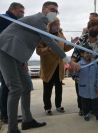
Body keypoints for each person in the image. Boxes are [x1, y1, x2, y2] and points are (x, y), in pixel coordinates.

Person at [0, 1, 72, 133]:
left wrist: (23, 60)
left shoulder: (41, 22)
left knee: (27, 86)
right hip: (5, 50)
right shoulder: (39, 19)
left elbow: (25, 40)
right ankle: (12, 128)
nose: (54, 13)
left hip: (18, 55)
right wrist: (66, 58)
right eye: (52, 9)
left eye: (56, 11)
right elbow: (50, 41)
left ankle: (27, 121)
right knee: (15, 89)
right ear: (44, 9)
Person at [71, 19, 98, 115]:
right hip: (82, 68)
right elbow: (75, 54)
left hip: (95, 68)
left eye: (96, 26)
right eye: (91, 26)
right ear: (88, 28)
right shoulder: (82, 39)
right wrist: (73, 64)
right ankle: (82, 108)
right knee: (81, 88)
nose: (94, 28)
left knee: (94, 88)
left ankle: (93, 108)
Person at [36, 18, 73, 115]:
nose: (58, 26)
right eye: (55, 25)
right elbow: (38, 51)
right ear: (50, 25)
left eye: (59, 24)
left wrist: (72, 43)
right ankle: (47, 108)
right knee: (47, 89)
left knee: (59, 88)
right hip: (48, 67)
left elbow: (64, 48)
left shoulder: (61, 35)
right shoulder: (44, 35)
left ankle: (58, 106)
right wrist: (47, 49)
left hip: (59, 67)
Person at [0, 2, 25, 124]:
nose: (23, 14)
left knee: (9, 87)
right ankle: (6, 116)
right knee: (7, 86)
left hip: (12, 57)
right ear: (13, 9)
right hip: (5, 58)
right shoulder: (3, 19)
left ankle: (9, 115)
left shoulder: (13, 21)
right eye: (21, 11)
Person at [76, 45, 98, 123]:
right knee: (85, 104)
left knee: (96, 105)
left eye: (90, 53)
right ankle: (86, 114)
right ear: (82, 54)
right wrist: (74, 72)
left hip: (94, 89)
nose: (88, 55)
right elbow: (74, 73)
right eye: (86, 53)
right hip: (84, 89)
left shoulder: (94, 64)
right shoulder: (79, 64)